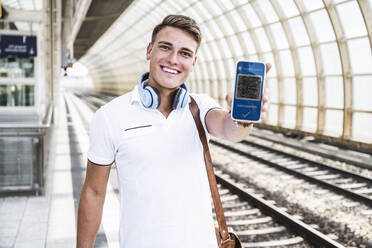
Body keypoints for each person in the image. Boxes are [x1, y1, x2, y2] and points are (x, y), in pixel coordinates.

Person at [77, 14, 270, 248]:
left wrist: (242, 118)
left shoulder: (200, 106)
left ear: (193, 62)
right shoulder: (110, 116)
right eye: (165, 48)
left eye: (184, 53)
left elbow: (230, 130)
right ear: (149, 51)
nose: (173, 59)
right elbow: (93, 192)